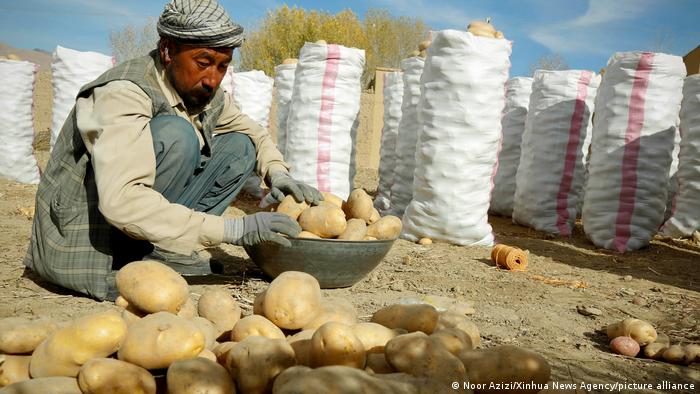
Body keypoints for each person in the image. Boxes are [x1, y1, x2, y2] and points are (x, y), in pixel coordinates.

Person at [24, 0, 321, 301]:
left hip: (141, 225)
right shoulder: (124, 93)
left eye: (223, 67)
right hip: (91, 237)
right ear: (167, 51)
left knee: (240, 147)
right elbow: (123, 202)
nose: (212, 80)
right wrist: (233, 230)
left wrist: (277, 172)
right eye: (203, 63)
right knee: (177, 136)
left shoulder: (201, 91)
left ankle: (164, 251)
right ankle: (130, 260)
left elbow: (252, 131)